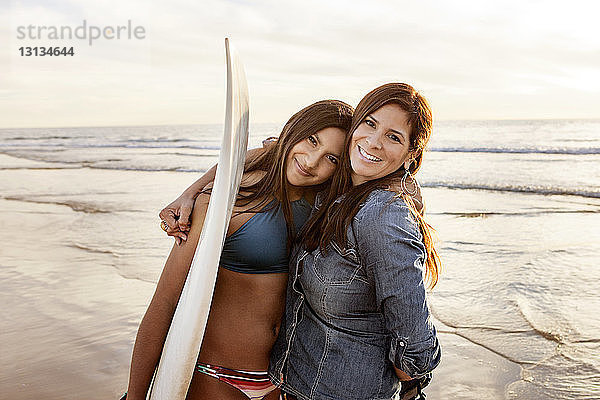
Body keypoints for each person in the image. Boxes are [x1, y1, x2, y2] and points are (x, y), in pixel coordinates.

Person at [125, 99, 353, 400]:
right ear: (294, 129)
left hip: (284, 379)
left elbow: (270, 150)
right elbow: (164, 303)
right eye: (312, 140)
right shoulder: (224, 203)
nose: (311, 161)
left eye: (331, 159)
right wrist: (135, 396)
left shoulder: (321, 205)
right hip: (216, 376)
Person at [268, 83, 441, 400]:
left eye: (393, 137)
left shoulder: (382, 217)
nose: (374, 143)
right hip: (296, 385)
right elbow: (274, 152)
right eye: (370, 124)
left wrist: (411, 383)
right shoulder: (336, 190)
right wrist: (191, 195)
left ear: (410, 154)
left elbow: (416, 344)